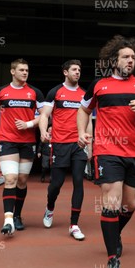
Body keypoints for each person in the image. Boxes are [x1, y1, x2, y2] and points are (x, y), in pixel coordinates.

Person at [77, 35, 135, 268]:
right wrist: (82, 132)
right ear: (114, 60)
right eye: (125, 57)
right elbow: (83, 109)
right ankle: (112, 260)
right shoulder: (99, 85)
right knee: (111, 201)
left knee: (131, 204)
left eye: (133, 57)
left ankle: (114, 234)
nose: (130, 60)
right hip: (107, 151)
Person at [0, 59, 45, 236]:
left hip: (27, 142)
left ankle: (18, 215)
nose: (25, 73)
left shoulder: (35, 92)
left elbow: (44, 116)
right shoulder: (1, 91)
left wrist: (28, 124)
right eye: (21, 70)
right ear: (12, 71)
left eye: (27, 70)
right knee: (10, 178)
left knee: (22, 181)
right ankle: (8, 220)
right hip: (7, 141)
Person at [39, 60, 92, 241]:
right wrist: (43, 131)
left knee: (79, 181)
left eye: (79, 69)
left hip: (79, 144)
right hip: (59, 144)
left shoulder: (85, 94)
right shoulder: (55, 92)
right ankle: (50, 207)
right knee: (56, 184)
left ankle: (74, 224)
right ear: (65, 72)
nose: (78, 72)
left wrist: (90, 145)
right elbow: (44, 115)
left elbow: (89, 121)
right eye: (74, 70)